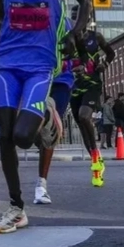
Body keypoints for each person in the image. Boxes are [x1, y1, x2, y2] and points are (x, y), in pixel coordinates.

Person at [0, 0, 91, 233]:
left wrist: (75, 34)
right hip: (6, 60)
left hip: (41, 62)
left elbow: (84, 1)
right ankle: (16, 207)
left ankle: (45, 116)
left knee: (21, 136)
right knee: (4, 134)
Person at [32, 31, 79, 205]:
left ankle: (41, 185)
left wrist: (79, 63)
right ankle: (41, 128)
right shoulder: (32, 16)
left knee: (49, 129)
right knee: (33, 133)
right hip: (36, 77)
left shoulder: (66, 25)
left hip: (61, 81)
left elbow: (81, 53)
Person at [71, 26, 116, 185]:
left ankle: (96, 154)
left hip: (93, 84)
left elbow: (111, 53)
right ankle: (96, 163)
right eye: (73, 15)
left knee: (84, 116)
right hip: (74, 86)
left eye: (79, 15)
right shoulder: (69, 36)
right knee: (81, 124)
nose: (77, 19)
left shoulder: (96, 36)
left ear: (86, 18)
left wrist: (105, 64)